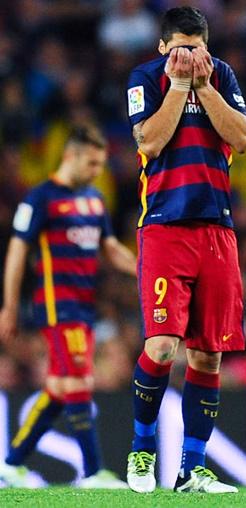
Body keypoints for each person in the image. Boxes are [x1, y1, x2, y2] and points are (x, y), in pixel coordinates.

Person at [125, 6, 246, 494]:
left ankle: (191, 470)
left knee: (208, 356)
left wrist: (203, 87)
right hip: (164, 227)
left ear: (207, 47)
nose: (189, 56)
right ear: (162, 48)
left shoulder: (221, 75)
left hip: (217, 231)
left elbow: (243, 138)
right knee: (160, 346)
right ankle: (141, 450)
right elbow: (149, 141)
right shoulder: (144, 78)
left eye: (197, 48)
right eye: (180, 48)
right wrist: (180, 87)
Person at [0, 124, 136, 488]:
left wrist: (144, 269)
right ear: (70, 156)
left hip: (84, 305)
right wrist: (9, 306)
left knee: (61, 386)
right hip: (57, 305)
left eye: (100, 165)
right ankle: (92, 473)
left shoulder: (94, 199)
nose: (96, 172)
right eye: (91, 163)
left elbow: (110, 249)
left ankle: (11, 463)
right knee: (79, 379)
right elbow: (17, 251)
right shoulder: (40, 198)